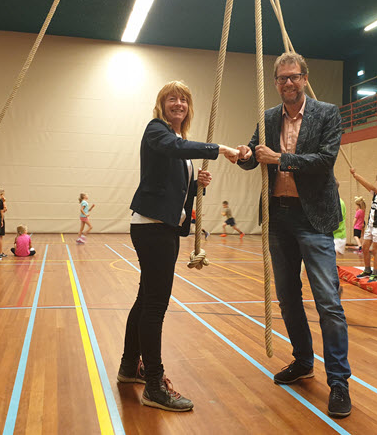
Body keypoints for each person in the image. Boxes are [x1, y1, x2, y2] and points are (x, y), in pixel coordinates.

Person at [236, 52, 351, 418]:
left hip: (314, 219)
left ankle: (339, 383)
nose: (288, 83)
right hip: (278, 218)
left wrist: (280, 159)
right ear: (275, 82)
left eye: (294, 77)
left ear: (304, 78)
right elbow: (257, 155)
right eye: (282, 78)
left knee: (328, 303)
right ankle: (303, 361)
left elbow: (323, 161)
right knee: (287, 298)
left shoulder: (327, 113)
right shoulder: (267, 117)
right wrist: (243, 156)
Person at [118, 80, 239, 412]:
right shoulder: (156, 131)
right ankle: (155, 386)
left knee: (145, 301)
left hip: (163, 226)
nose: (178, 103)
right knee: (155, 306)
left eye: (184, 99)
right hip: (153, 228)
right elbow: (172, 150)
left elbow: (173, 184)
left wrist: (193, 184)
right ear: (161, 105)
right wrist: (219, 149)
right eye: (172, 98)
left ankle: (130, 367)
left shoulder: (178, 141)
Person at [351, 169, 377, 283]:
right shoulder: (375, 193)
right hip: (370, 225)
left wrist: (359, 176)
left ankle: (375, 273)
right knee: (365, 248)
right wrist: (356, 176)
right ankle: (367, 270)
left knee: (375, 250)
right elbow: (367, 186)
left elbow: (373, 188)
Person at [0, 190, 7, 257]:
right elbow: (4, 210)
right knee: (0, 237)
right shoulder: (1, 201)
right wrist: (4, 202)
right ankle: (0, 252)